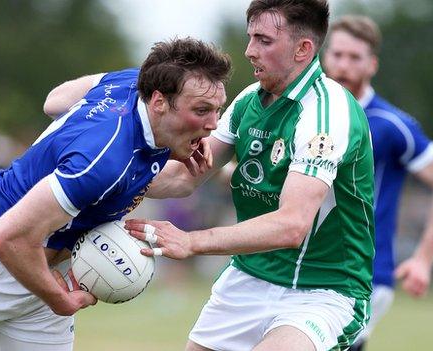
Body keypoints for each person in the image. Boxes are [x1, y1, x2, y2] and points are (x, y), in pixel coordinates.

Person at [0, 37, 231, 351]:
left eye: (217, 110)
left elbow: (53, 101)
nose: (213, 123)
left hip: (47, 270)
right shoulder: (103, 160)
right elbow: (8, 238)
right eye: (201, 110)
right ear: (158, 101)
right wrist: (57, 298)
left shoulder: (130, 84)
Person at [126, 1, 375, 350]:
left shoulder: (325, 113)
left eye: (264, 40)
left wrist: (191, 241)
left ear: (303, 49)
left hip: (323, 291)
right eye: (250, 38)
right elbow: (183, 177)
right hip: (248, 278)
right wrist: (109, 180)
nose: (249, 51)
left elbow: (292, 225)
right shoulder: (248, 103)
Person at [322, 15, 433, 350]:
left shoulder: (391, 124)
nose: (343, 65)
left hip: (365, 274)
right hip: (308, 268)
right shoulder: (307, 112)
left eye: (354, 58)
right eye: (337, 54)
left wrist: (423, 259)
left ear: (372, 64)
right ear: (325, 56)